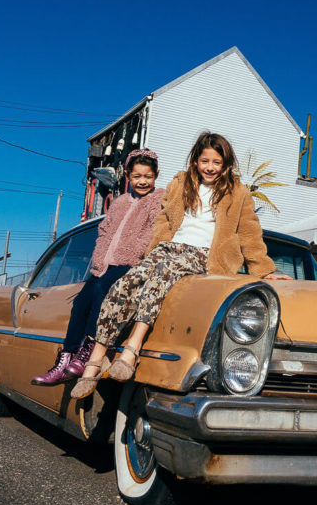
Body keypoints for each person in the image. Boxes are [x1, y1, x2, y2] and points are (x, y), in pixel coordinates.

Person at [71, 131, 291, 398]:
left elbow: (249, 232)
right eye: (204, 161)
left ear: (226, 164)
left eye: (216, 162)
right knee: (123, 284)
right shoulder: (181, 183)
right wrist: (153, 250)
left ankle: (132, 347)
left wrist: (264, 269)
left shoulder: (238, 192)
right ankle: (97, 358)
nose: (210, 167)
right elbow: (164, 221)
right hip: (166, 249)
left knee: (160, 277)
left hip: (202, 255)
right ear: (195, 161)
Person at [32, 149, 164, 386]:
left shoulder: (158, 199)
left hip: (130, 262)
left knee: (103, 292)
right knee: (80, 302)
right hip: (103, 263)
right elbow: (104, 231)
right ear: (127, 176)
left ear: (156, 176)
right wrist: (99, 256)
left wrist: (138, 253)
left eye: (148, 176)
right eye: (136, 176)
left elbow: (157, 231)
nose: (142, 181)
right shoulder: (120, 202)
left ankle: (88, 352)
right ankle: (66, 358)